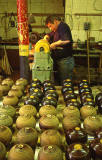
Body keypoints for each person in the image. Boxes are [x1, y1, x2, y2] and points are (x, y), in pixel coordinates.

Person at [44, 15, 75, 85]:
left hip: (65, 61)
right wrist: (46, 37)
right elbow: (49, 34)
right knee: (61, 82)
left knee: (66, 83)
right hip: (59, 60)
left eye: (50, 26)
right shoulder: (56, 29)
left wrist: (54, 44)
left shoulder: (63, 27)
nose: (50, 28)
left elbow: (67, 40)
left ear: (55, 22)